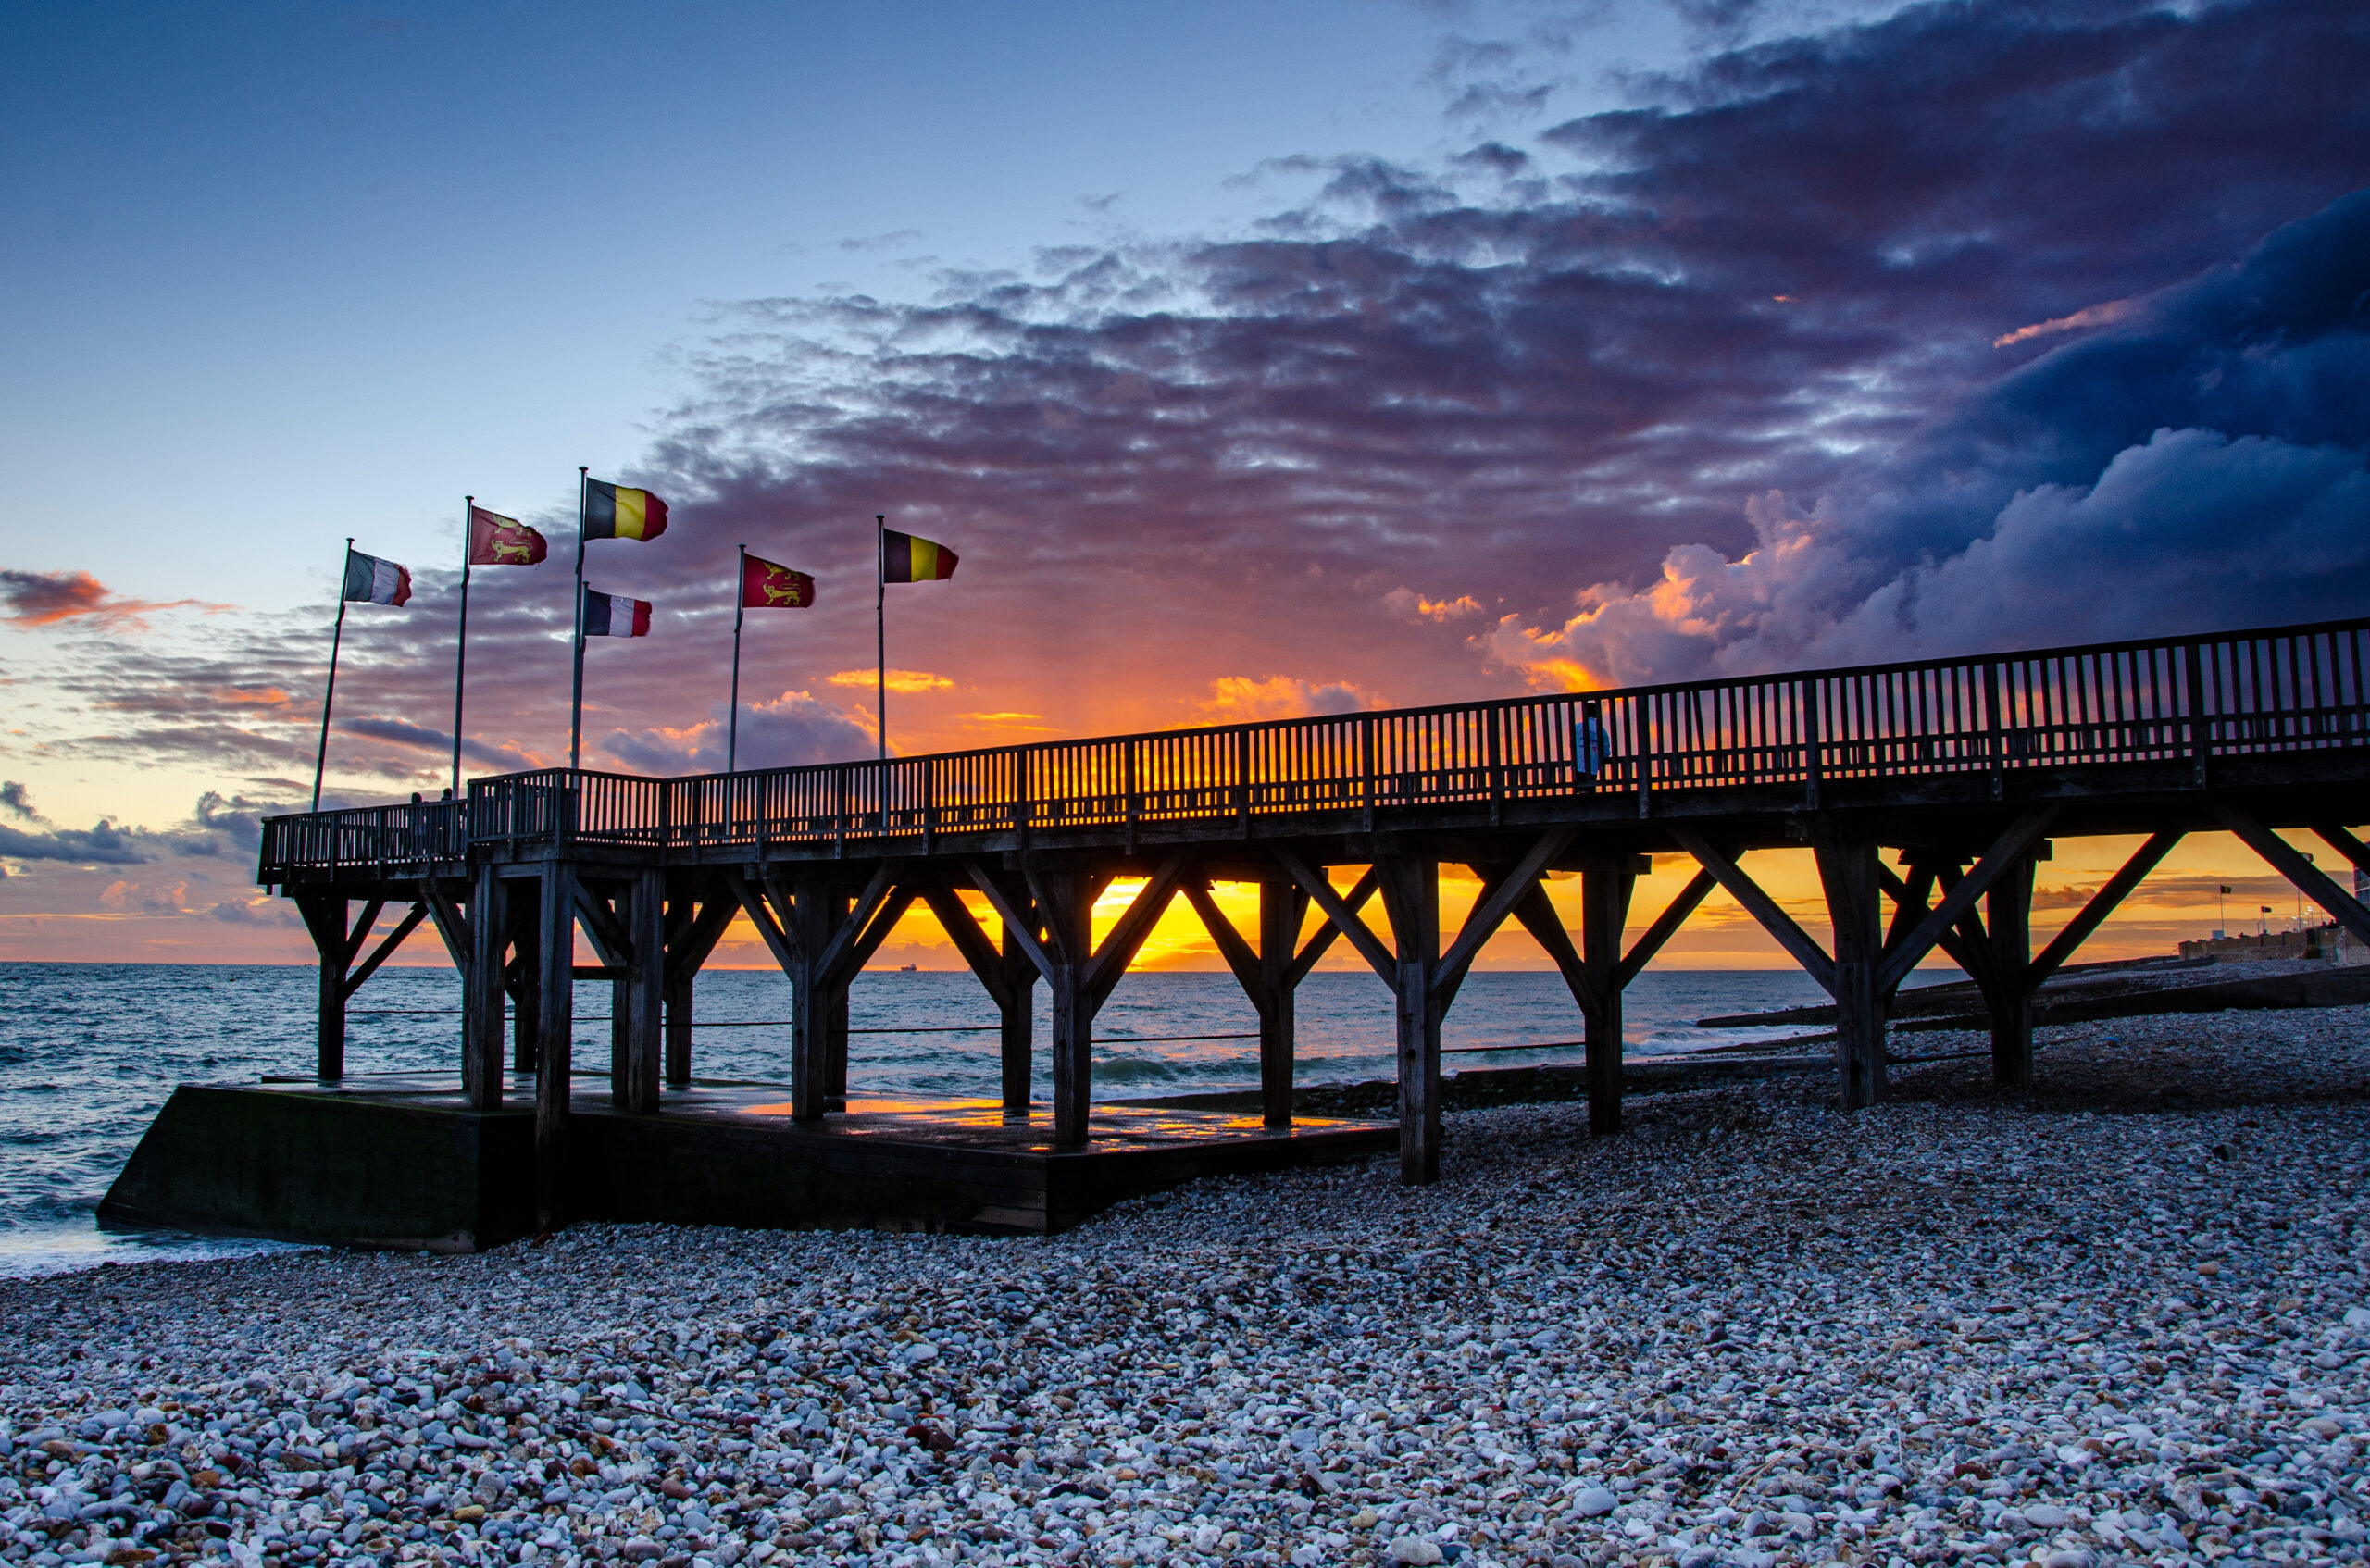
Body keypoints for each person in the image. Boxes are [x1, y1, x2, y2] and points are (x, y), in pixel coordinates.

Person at [1574, 699, 1610, 785]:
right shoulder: (1601, 730)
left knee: (1579, 788)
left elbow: (1572, 745)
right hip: (1593, 766)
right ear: (1596, 714)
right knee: (1590, 789)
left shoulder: (1577, 727)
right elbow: (1606, 751)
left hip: (1578, 765)